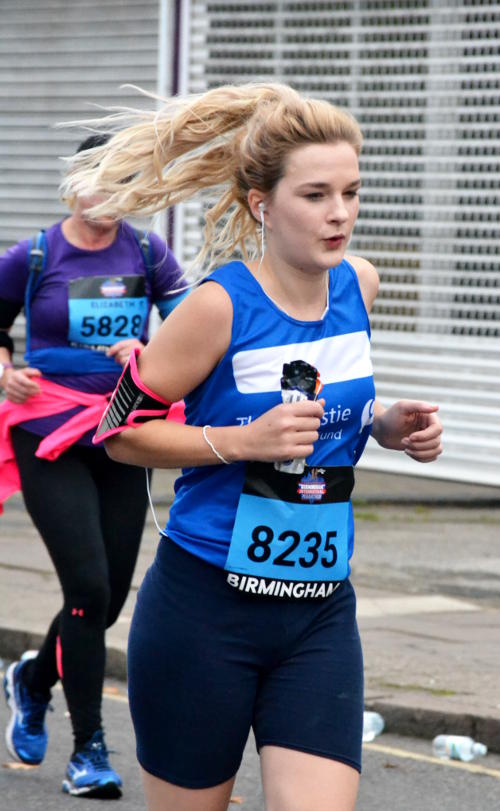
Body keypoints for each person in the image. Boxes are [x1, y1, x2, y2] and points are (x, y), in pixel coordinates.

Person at [65, 84, 443, 811]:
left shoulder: (358, 287)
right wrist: (240, 440)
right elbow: (118, 433)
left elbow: (335, 411)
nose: (339, 213)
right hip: (205, 609)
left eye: (351, 192)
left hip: (319, 610)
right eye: (315, 194)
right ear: (261, 205)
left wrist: (389, 426)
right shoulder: (218, 306)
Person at [0, 134, 186, 799]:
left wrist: (150, 346)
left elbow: (191, 323)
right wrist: (6, 370)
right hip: (48, 431)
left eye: (127, 179)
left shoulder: (146, 251)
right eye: (99, 178)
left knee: (105, 600)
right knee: (86, 586)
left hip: (124, 429)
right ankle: (88, 749)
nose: (111, 191)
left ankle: (30, 680)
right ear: (72, 182)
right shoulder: (35, 255)